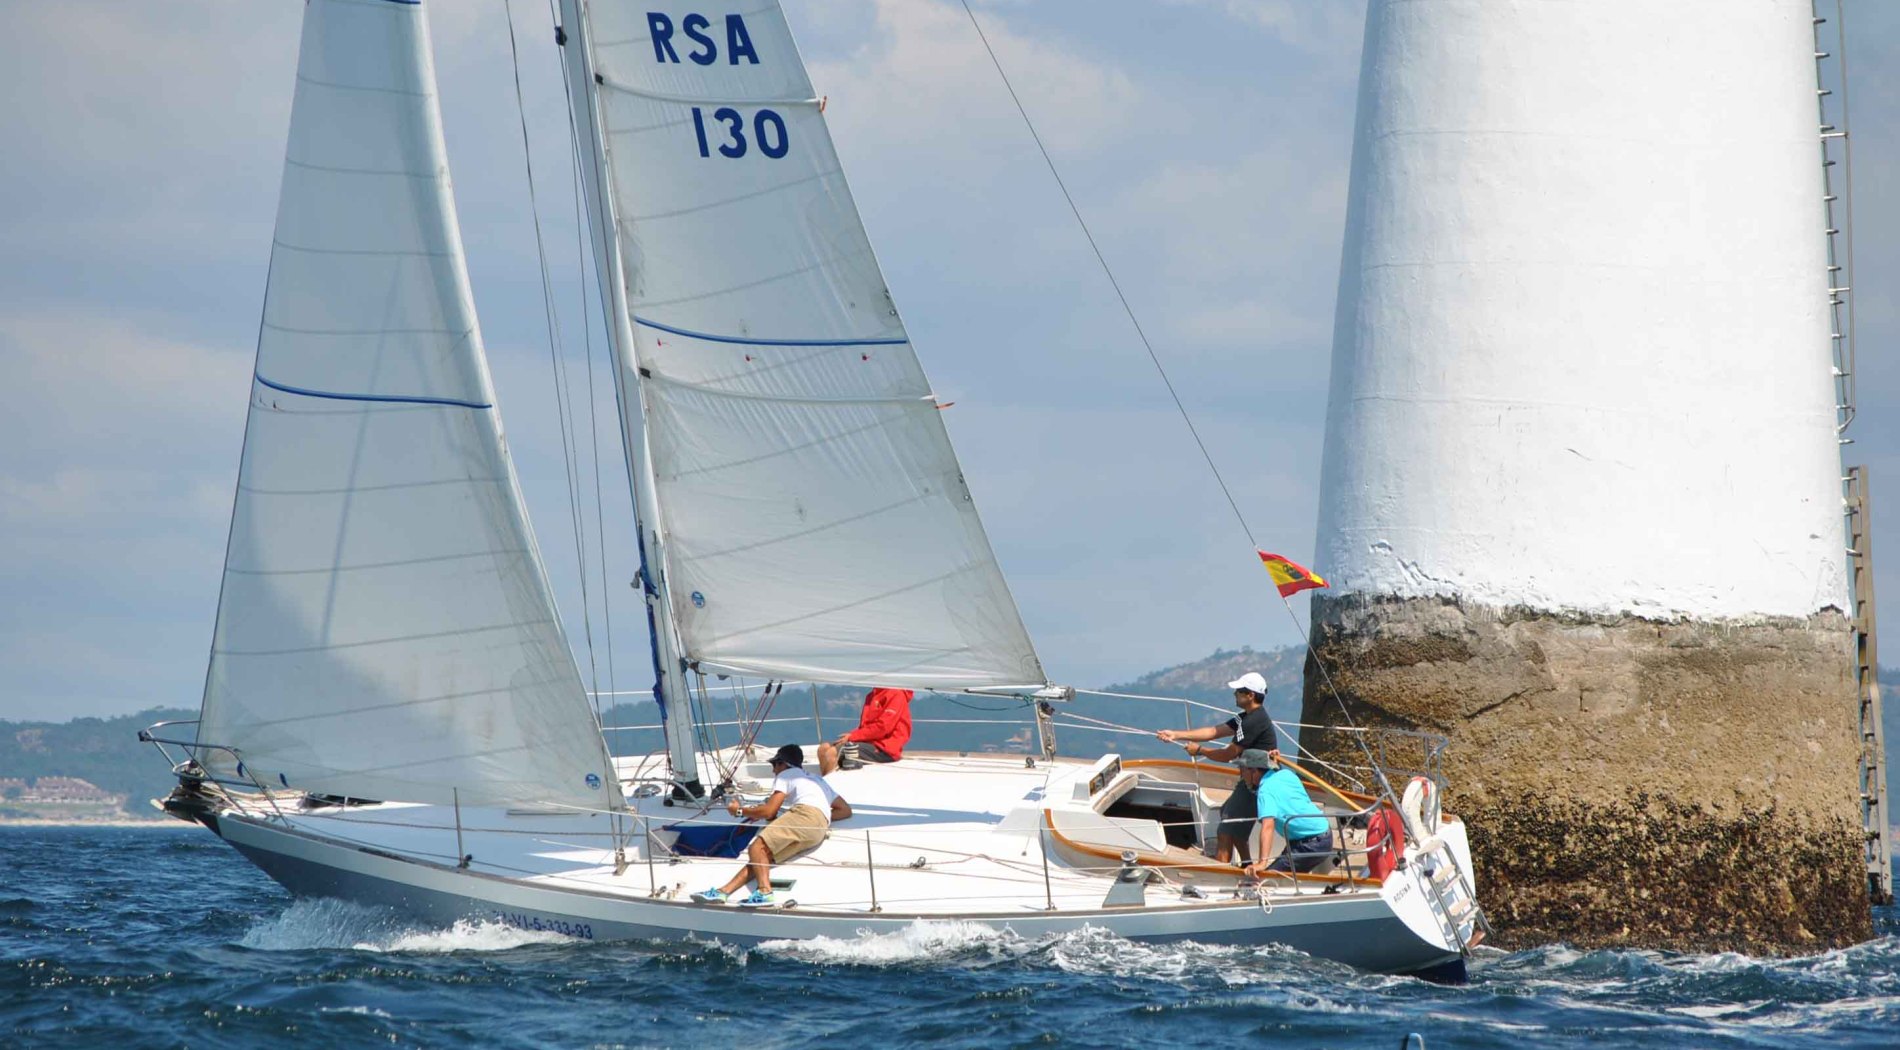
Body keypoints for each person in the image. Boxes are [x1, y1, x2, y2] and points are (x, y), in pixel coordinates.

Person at [692, 744, 851, 907]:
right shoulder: (816, 779)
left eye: (774, 764)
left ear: (783, 763)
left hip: (804, 816)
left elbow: (769, 811)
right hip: (819, 829)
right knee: (762, 859)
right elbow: (845, 810)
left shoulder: (786, 775)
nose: (773, 770)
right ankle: (723, 891)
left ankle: (764, 892)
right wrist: (818, 819)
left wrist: (738, 811)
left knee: (756, 848)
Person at [1155, 672, 1279, 863]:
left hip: (1257, 785)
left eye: (1239, 691)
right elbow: (1214, 731)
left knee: (1225, 830)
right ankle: (1246, 865)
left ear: (1250, 695)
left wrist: (1200, 751)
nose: (1235, 694)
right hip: (1250, 781)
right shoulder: (1245, 718)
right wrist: (1176, 735)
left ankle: (1223, 871)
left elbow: (1228, 754)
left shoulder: (1253, 721)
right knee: (1227, 813)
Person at [1233, 749, 1333, 876]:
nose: (1241, 775)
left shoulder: (1265, 791)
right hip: (1323, 835)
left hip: (1310, 844)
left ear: (1254, 771)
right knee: (1283, 874)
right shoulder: (1286, 774)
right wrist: (1275, 763)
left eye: (1242, 769)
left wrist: (1262, 863)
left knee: (1268, 878)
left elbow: (1268, 826)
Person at [818, 687, 913, 774]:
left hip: (884, 749)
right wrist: (851, 734)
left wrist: (852, 736)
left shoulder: (896, 694)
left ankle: (829, 786)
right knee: (823, 748)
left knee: (832, 753)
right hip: (870, 742)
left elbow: (883, 727)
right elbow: (866, 726)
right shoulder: (872, 695)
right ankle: (824, 782)